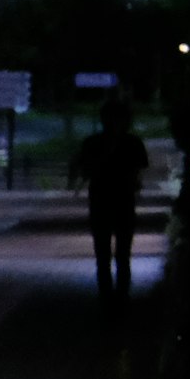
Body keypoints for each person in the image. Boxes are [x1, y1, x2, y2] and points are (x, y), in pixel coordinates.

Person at [72, 94, 151, 300]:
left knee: (117, 254)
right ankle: (111, 294)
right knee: (110, 254)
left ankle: (116, 294)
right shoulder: (128, 143)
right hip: (111, 201)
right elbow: (138, 171)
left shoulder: (105, 143)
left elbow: (137, 171)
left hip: (112, 201)